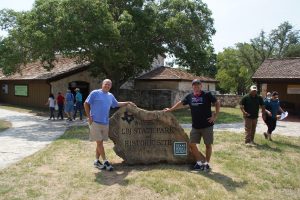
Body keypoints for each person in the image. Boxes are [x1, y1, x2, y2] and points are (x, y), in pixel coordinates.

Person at [164, 79, 220, 171]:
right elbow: (181, 103)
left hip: (207, 125)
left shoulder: (207, 94)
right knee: (192, 144)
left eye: (198, 85)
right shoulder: (190, 96)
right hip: (195, 126)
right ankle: (198, 162)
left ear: (201, 86)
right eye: (194, 85)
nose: (196, 87)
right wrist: (171, 109)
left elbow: (217, 102)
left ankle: (206, 163)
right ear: (192, 86)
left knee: (208, 145)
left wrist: (215, 116)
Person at [84, 79, 135, 171]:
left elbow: (116, 104)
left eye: (109, 85)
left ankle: (96, 160)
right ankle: (105, 162)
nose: (107, 86)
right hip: (95, 122)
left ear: (110, 86)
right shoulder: (95, 93)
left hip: (105, 122)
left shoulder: (110, 96)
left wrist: (127, 102)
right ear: (102, 84)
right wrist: (89, 117)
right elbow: (86, 104)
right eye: (106, 84)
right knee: (99, 142)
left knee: (100, 143)